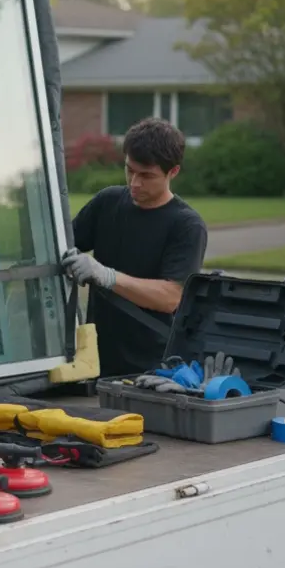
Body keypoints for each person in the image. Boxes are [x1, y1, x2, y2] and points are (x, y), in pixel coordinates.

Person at [60, 117, 208, 376]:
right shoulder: (107, 203)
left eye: (147, 175)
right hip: (96, 361)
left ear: (172, 172)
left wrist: (106, 276)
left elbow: (170, 297)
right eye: (130, 170)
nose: (134, 183)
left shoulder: (186, 225)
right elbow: (61, 247)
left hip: (153, 368)